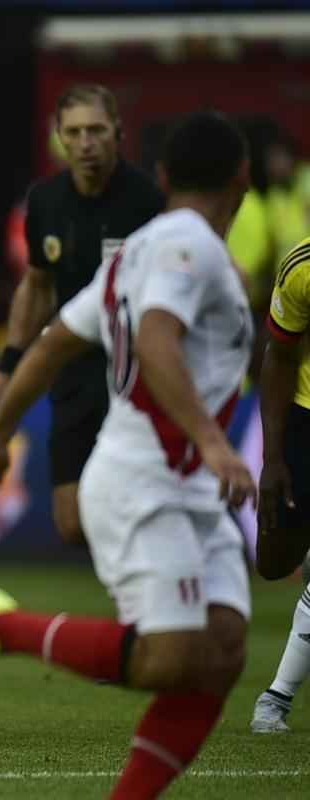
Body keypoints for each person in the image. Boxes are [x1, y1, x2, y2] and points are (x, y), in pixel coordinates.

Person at [0, 112, 255, 799]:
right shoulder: (186, 245)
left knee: (222, 653)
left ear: (163, 176)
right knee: (169, 659)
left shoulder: (141, 246)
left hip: (189, 485)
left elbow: (52, 344)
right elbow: (158, 337)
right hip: (149, 480)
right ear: (244, 179)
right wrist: (210, 438)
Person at [0, 84, 164, 546]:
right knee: (72, 524)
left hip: (135, 371)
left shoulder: (149, 203)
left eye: (96, 130)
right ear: (60, 137)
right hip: (72, 367)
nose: (85, 142)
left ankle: (147, 603)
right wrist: (7, 368)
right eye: (74, 132)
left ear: (117, 133)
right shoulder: (45, 202)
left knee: (134, 504)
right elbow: (37, 286)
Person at [249, 234, 310, 733]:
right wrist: (272, 459)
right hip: (307, 419)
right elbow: (280, 354)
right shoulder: (302, 266)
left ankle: (276, 697)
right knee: (274, 562)